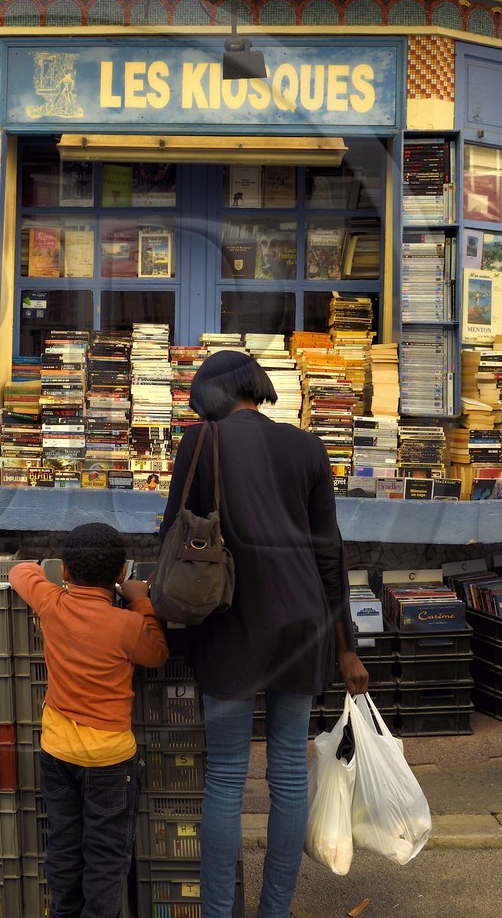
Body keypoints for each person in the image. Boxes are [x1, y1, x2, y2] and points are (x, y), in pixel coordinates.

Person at [159, 349, 366, 918]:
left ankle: (219, 912)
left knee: (226, 776)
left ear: (215, 392)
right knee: (288, 777)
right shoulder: (306, 446)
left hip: (231, 623)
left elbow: (175, 535)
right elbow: (331, 553)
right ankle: (275, 910)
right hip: (303, 626)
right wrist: (345, 646)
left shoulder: (201, 445)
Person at [10, 523, 168, 918]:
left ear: (65, 571)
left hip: (56, 752)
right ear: (119, 575)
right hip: (110, 761)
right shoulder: (127, 625)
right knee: (106, 857)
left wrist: (49, 580)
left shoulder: (52, 603)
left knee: (64, 845)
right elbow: (158, 653)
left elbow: (20, 571)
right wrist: (139, 600)